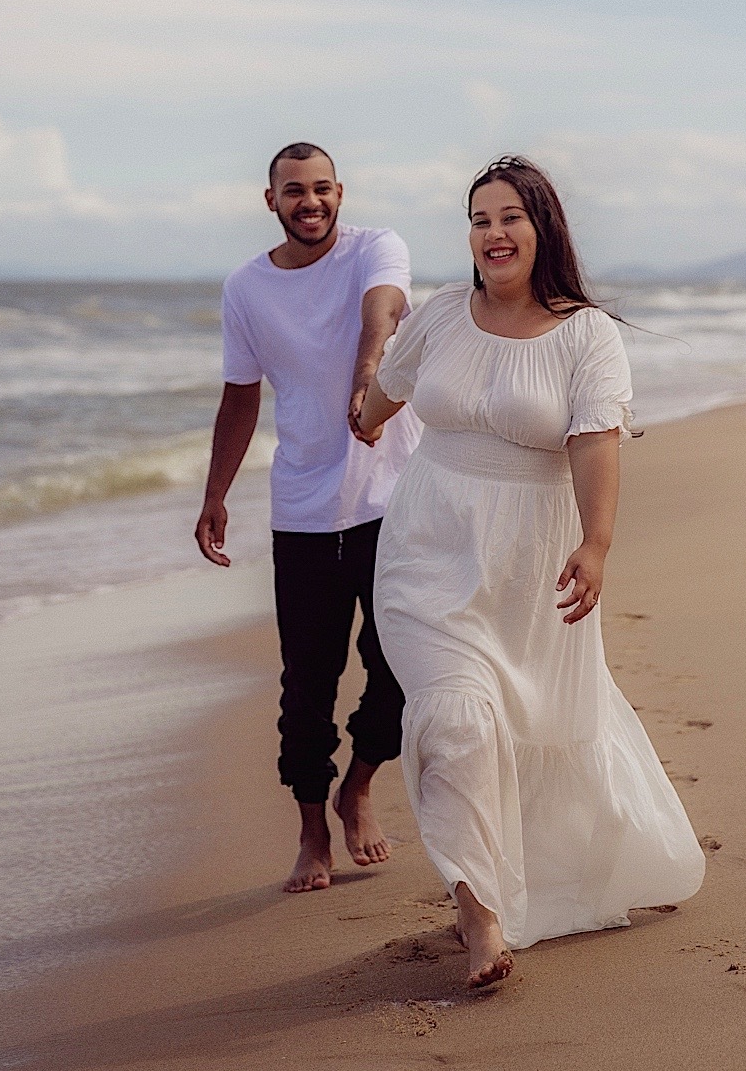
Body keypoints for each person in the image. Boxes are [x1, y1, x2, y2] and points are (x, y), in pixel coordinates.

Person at [356, 155, 705, 988]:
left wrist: (597, 543)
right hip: (423, 551)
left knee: (533, 719)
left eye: (509, 216)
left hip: (529, 564)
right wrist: (358, 397)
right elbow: (378, 402)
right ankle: (478, 915)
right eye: (478, 219)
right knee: (453, 721)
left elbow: (593, 440)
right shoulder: (442, 314)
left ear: (541, 227)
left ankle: (554, 873)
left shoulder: (586, 333)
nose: (492, 232)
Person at [195, 142, 422, 893]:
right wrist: (214, 495)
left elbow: (380, 316)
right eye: (294, 191)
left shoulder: (375, 250)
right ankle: (310, 827)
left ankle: (358, 788)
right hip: (301, 510)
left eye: (322, 188)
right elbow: (239, 394)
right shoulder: (246, 289)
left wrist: (367, 380)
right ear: (271, 201)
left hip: (394, 498)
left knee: (396, 667)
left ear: (340, 192)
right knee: (306, 685)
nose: (311, 202)